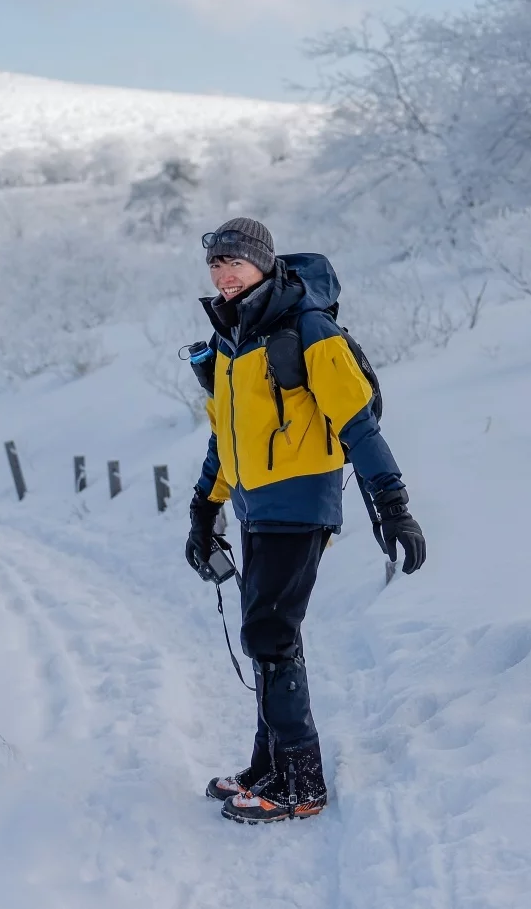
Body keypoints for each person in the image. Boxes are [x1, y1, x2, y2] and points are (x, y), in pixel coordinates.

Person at [184, 217, 426, 824]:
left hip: (299, 502)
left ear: (264, 263)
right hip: (255, 505)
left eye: (234, 261)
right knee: (264, 636)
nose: (224, 273)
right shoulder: (232, 338)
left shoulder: (308, 329)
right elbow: (225, 437)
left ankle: (301, 783)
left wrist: (392, 504)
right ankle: (268, 767)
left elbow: (358, 424)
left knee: (271, 635)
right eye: (215, 264)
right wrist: (204, 507)